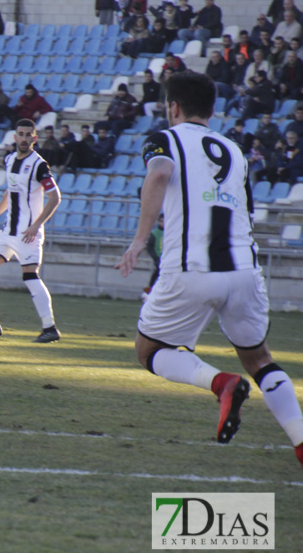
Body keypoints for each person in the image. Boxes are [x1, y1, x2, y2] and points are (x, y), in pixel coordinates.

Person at [118, 71, 303, 468]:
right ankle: (301, 441)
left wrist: (138, 241)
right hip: (244, 272)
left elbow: (161, 173)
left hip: (191, 269)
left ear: (173, 107)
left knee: (149, 350)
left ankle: (221, 384)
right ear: (214, 110)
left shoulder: (163, 138)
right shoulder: (234, 150)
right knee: (259, 359)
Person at [0, 119, 62, 343]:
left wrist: (36, 225)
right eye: (20, 134)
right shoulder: (9, 159)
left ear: (34, 138)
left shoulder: (39, 164)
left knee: (30, 276)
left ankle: (50, 328)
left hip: (27, 233)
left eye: (28, 134)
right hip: (8, 231)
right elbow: (11, 190)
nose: (24, 138)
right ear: (15, 137)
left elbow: (55, 197)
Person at [143, 214, 164, 298]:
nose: (163, 223)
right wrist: (155, 257)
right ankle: (149, 291)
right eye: (161, 221)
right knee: (158, 273)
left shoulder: (172, 232)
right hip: (159, 258)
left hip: (169, 257)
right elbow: (150, 247)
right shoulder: (155, 233)